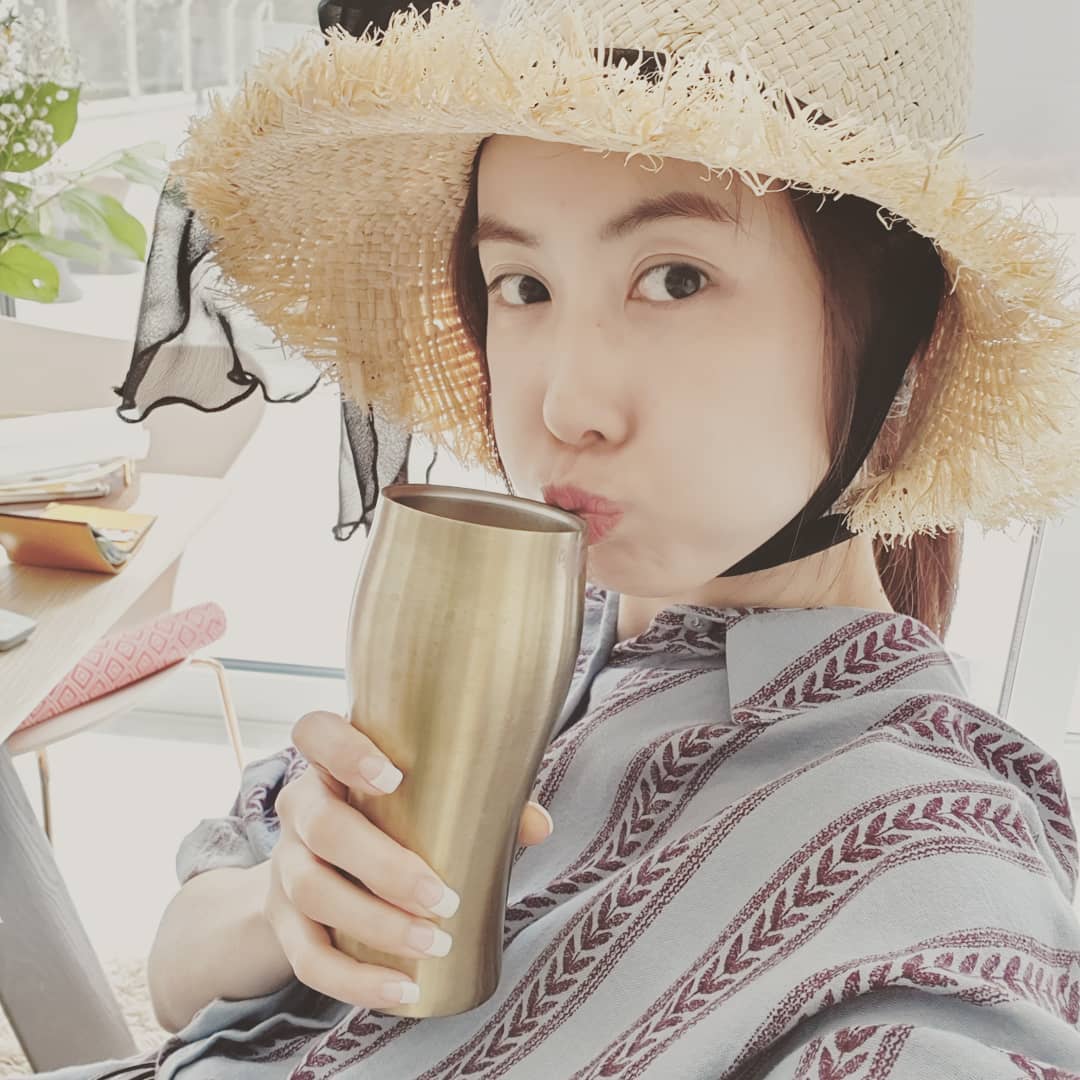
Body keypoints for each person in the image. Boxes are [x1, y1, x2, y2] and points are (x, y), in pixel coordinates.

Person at [32, 0, 1080, 1076]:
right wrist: (284, 904)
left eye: (675, 279)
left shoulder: (928, 834)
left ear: (908, 356)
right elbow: (177, 972)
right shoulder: (516, 639)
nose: (564, 406)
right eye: (523, 285)